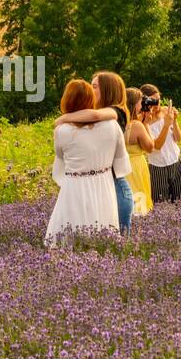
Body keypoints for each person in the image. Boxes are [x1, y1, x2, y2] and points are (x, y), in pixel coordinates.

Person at [45, 79, 131, 247]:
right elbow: (120, 157)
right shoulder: (112, 125)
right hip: (104, 185)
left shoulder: (61, 131)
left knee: (68, 242)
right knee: (105, 241)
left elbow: (61, 158)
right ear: (91, 100)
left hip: (74, 188)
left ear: (66, 101)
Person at [124, 87, 175, 217]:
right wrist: (146, 124)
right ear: (134, 104)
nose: (143, 105)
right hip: (136, 169)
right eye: (141, 102)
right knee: (138, 202)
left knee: (127, 200)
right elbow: (150, 147)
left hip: (122, 167)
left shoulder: (121, 123)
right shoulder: (136, 125)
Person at [141, 84, 181, 204]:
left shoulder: (166, 111)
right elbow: (156, 146)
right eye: (153, 100)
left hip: (175, 161)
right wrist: (166, 125)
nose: (157, 104)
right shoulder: (143, 121)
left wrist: (175, 120)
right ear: (145, 102)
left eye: (158, 99)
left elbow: (178, 138)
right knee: (161, 203)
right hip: (157, 166)